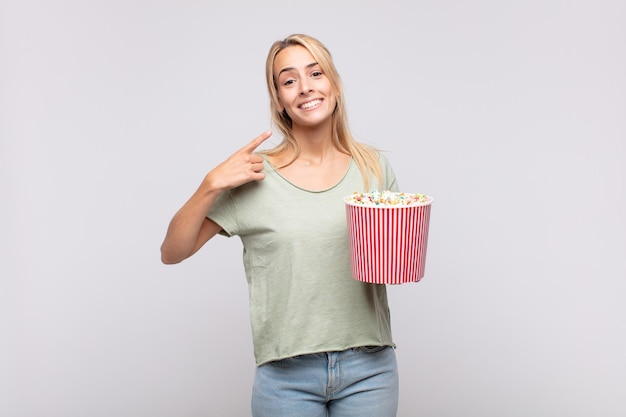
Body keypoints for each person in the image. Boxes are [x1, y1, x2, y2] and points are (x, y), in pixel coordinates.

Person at [161, 33, 401, 417]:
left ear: (334, 83)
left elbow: (393, 259)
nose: (305, 87)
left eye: (316, 73)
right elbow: (172, 252)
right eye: (289, 80)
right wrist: (211, 184)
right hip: (286, 377)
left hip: (369, 369)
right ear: (279, 100)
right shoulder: (255, 174)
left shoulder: (372, 167)